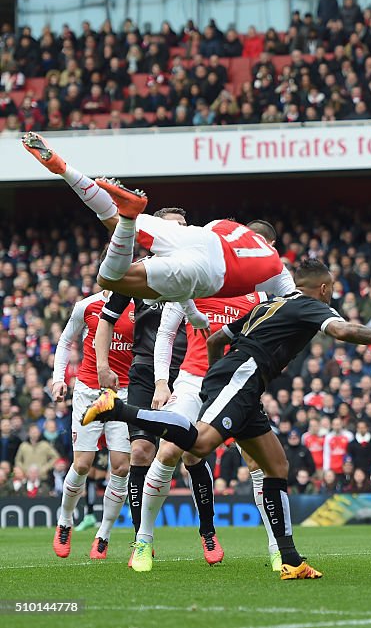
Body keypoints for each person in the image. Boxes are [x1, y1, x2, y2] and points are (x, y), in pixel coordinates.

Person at [83, 258, 371, 580]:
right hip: (241, 379)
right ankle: (119, 410)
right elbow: (342, 331)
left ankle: (290, 560)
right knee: (200, 445)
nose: (332, 293)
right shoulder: (310, 306)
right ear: (324, 288)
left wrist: (217, 374)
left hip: (239, 381)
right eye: (331, 288)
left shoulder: (268, 304)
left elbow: (218, 338)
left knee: (276, 465)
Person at [21, 132, 295, 303]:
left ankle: (65, 170)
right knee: (108, 279)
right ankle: (130, 217)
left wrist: (196, 316)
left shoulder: (228, 226)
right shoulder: (274, 264)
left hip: (201, 237)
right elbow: (297, 302)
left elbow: (206, 237)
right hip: (210, 273)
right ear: (269, 241)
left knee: (111, 217)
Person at [120, 291, 272, 573]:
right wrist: (163, 382)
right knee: (168, 451)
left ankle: (278, 549)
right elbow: (165, 333)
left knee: (257, 461)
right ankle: (143, 540)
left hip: (235, 385)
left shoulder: (257, 294)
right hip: (191, 382)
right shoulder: (195, 285)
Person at [93, 207, 188, 558]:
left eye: (184, 226)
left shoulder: (198, 271)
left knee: (193, 454)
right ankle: (140, 541)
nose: (180, 232)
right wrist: (103, 364)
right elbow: (107, 319)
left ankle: (208, 534)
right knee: (139, 451)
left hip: (189, 372)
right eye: (173, 226)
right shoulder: (136, 272)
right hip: (146, 371)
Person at [50, 290, 135, 560]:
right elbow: (65, 341)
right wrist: (57, 378)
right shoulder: (86, 306)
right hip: (88, 390)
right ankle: (65, 521)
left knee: (121, 466)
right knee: (83, 463)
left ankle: (104, 534)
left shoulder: (140, 306)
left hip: (124, 392)